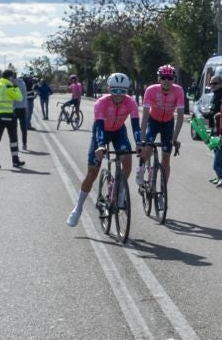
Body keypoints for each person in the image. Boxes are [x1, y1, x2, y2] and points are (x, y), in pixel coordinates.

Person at [68, 73, 140, 228]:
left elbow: (135, 125)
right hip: (101, 132)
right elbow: (99, 127)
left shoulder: (131, 103)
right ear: (109, 89)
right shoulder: (101, 103)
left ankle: (119, 191)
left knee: (127, 161)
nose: (119, 95)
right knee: (92, 172)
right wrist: (100, 145)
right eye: (115, 91)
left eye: (123, 91)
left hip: (119, 132)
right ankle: (78, 208)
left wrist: (139, 143)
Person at [141, 64, 187, 184]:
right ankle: (140, 170)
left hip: (168, 122)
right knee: (148, 148)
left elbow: (181, 116)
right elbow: (145, 115)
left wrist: (175, 138)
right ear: (159, 79)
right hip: (153, 120)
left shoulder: (178, 91)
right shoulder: (151, 90)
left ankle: (163, 188)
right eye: (163, 77)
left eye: (170, 78)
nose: (166, 80)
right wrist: (142, 138)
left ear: (174, 79)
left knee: (166, 158)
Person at [0, 68, 26, 170]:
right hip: (9, 115)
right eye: (13, 77)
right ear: (10, 77)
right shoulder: (9, 86)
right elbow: (19, 98)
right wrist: (16, 87)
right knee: (13, 138)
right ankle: (15, 161)